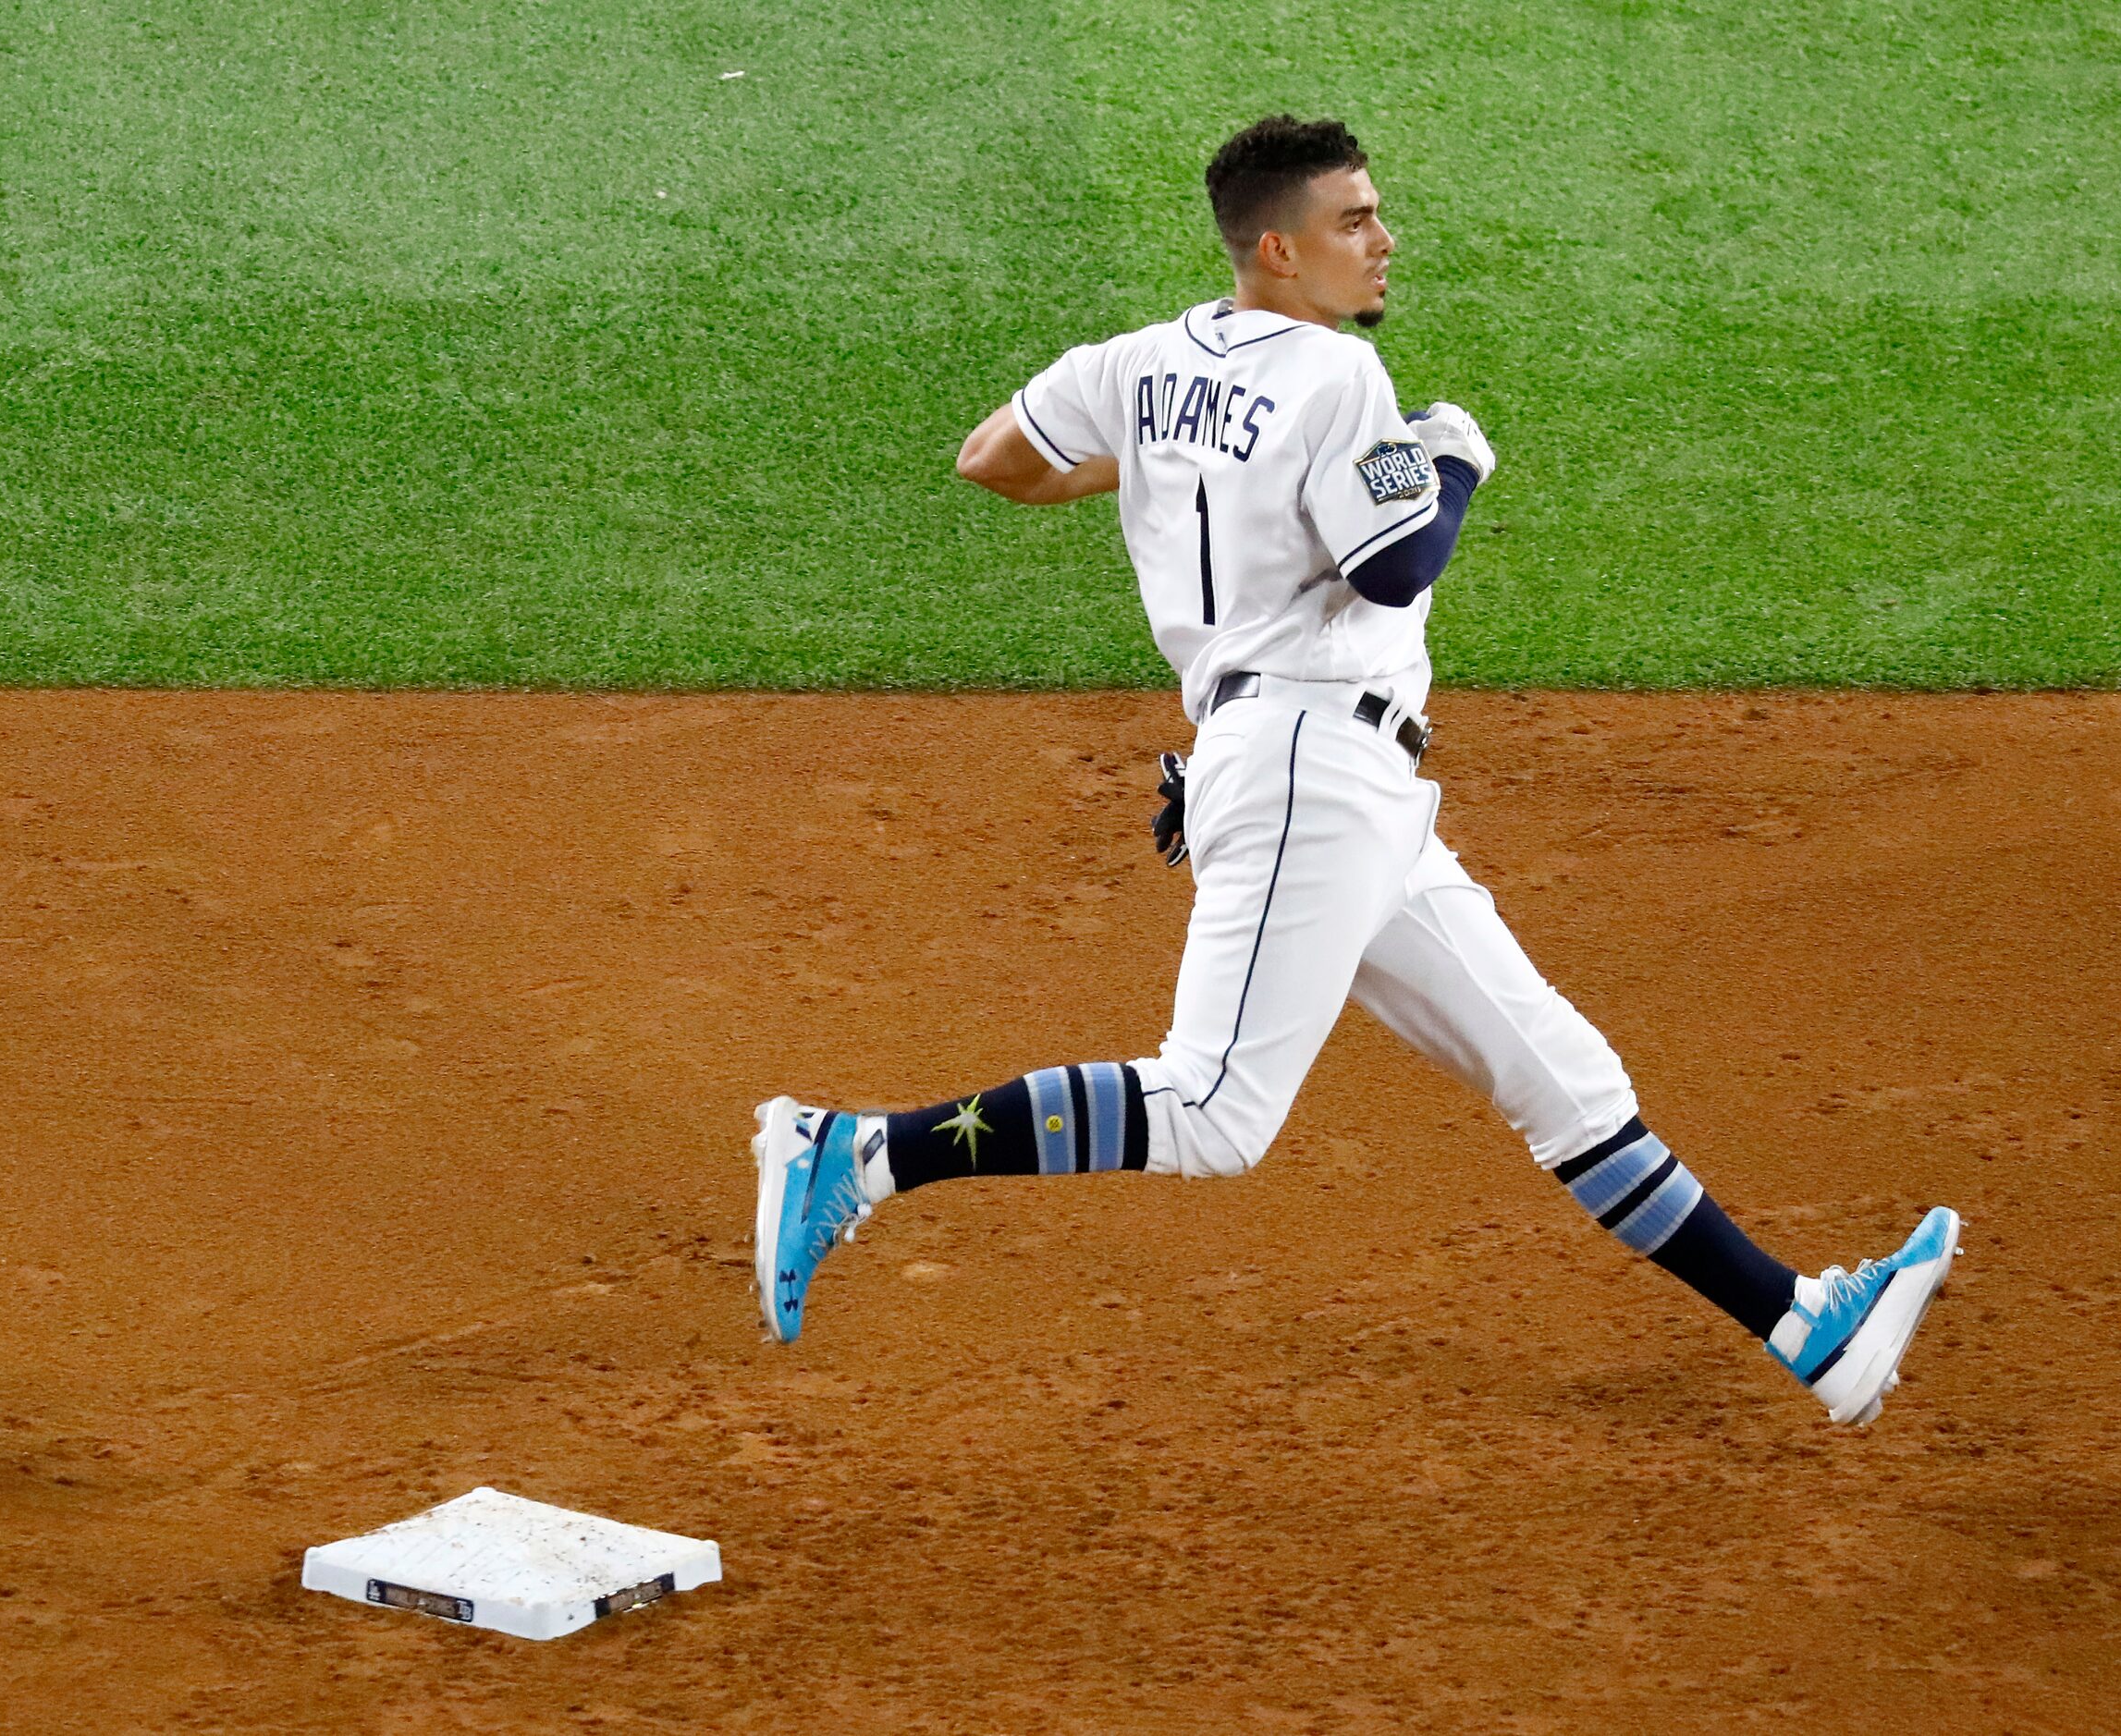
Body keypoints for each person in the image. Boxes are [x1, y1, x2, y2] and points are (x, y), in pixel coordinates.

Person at [751, 114, 1959, 1426]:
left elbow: (995, 457)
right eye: (1353, 221)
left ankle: (1804, 1325)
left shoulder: (1144, 362)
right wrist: (1454, 462)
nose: (1384, 242)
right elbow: (1397, 561)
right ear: (1277, 247)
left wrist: (1173, 467)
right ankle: (856, 1152)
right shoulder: (1338, 383)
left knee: (1563, 1078)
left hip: (1339, 782)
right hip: (1306, 767)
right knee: (1214, 1104)